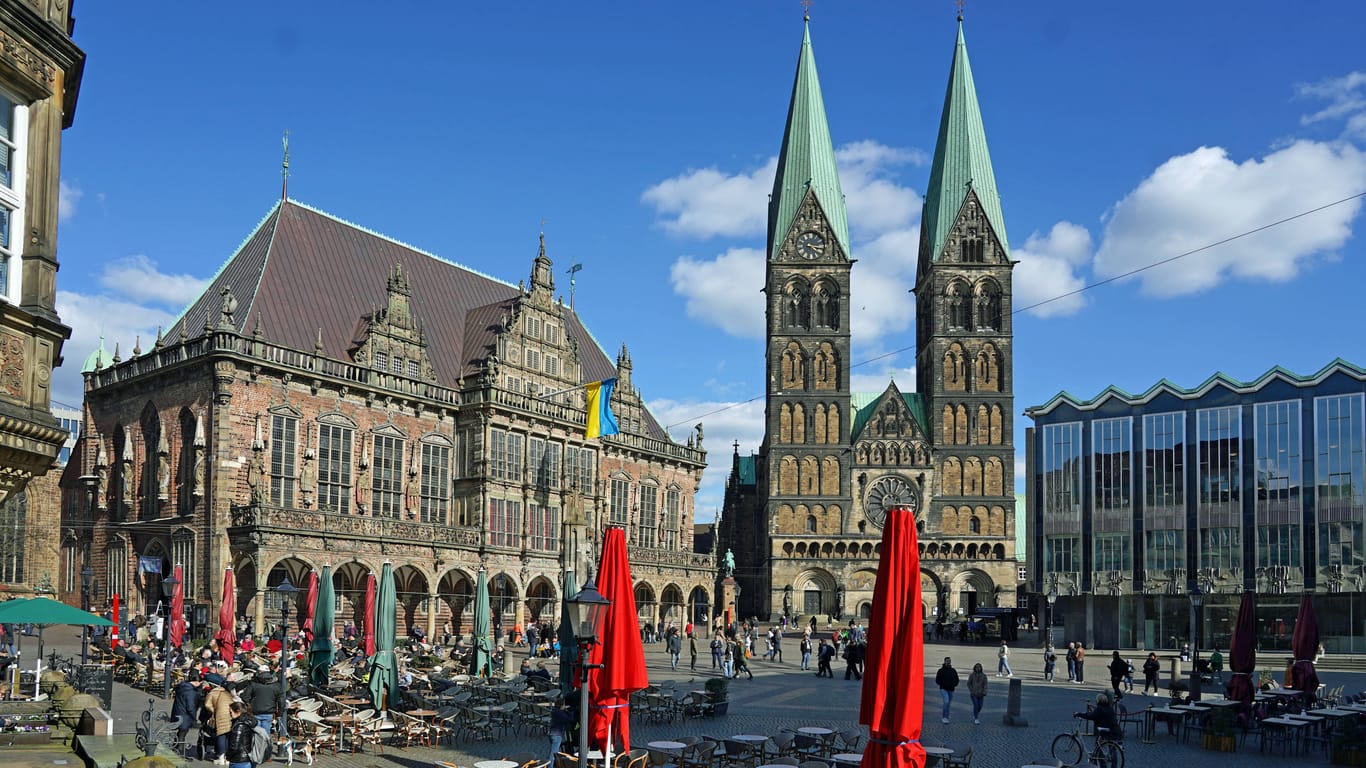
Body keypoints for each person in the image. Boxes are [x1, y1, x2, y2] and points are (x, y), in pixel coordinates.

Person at [171, 669, 203, 757]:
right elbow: (191, 707)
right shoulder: (191, 692)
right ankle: (180, 752)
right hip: (185, 715)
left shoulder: (183, 686)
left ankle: (176, 747)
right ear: (197, 681)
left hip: (178, 712)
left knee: (180, 732)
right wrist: (194, 717)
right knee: (183, 733)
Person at [203, 679, 235, 764]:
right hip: (230, 715)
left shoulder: (212, 693)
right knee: (227, 735)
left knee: (220, 735)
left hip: (219, 715)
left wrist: (213, 710)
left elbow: (207, 704)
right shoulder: (228, 694)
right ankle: (227, 758)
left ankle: (221, 757)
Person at [245, 668, 282, 734]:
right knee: (266, 732)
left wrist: (249, 704)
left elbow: (245, 697)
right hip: (268, 712)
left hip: (255, 711)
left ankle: (257, 744)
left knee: (256, 732)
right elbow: (280, 701)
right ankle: (265, 744)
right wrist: (279, 713)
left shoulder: (253, 684)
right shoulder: (276, 686)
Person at [225, 700, 257, 768]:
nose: (230, 714)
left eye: (231, 712)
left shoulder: (239, 725)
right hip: (249, 758)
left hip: (239, 760)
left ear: (238, 711)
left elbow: (234, 746)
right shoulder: (249, 721)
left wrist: (228, 756)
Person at [936, 657, 960, 724]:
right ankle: (944, 717)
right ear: (944, 662)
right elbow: (937, 679)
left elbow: (956, 679)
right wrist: (942, 684)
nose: (948, 662)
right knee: (946, 701)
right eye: (947, 661)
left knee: (948, 703)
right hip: (943, 689)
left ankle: (947, 716)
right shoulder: (941, 670)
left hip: (951, 689)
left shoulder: (953, 670)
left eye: (949, 661)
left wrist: (954, 684)